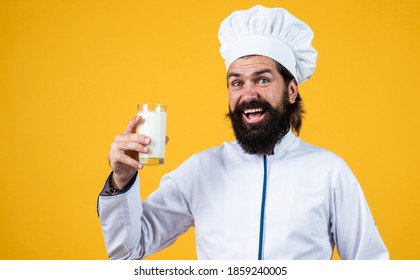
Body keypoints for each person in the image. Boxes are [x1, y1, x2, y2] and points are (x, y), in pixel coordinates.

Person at [97, 5, 389, 260]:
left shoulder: (330, 172)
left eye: (262, 79)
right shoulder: (202, 170)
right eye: (236, 83)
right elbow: (128, 249)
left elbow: (370, 265)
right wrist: (122, 179)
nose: (248, 94)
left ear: (291, 90)